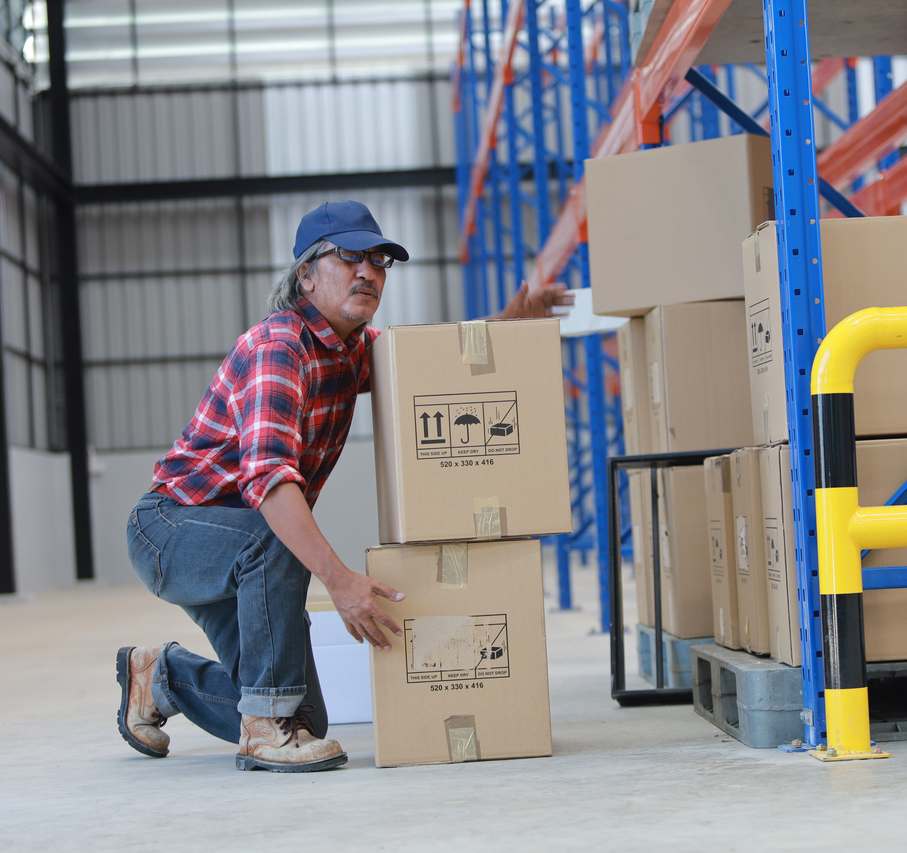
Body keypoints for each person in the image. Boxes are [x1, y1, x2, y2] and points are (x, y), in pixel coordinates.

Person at [117, 200, 570, 772]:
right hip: (172, 528)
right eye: (350, 256)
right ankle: (263, 731)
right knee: (274, 547)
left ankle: (160, 678)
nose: (369, 271)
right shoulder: (276, 349)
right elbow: (269, 482)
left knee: (304, 718)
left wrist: (505, 326)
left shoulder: (351, 349)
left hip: (241, 542)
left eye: (379, 260)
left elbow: (422, 363)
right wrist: (340, 582)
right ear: (305, 274)